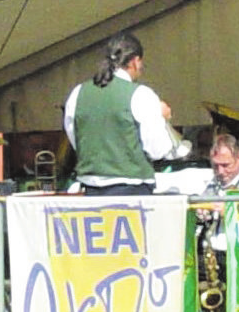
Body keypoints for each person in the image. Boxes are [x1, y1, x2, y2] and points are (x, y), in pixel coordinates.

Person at [63, 32, 190, 196]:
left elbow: (77, 140)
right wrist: (161, 118)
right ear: (135, 62)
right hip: (132, 190)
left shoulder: (77, 93)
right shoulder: (141, 94)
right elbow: (157, 149)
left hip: (91, 190)